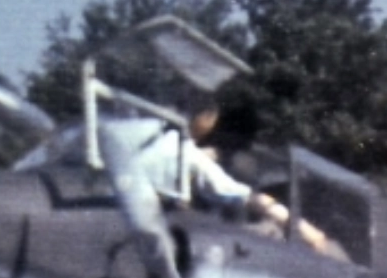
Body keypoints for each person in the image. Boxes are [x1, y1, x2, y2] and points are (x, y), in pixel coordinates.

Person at [127, 104, 342, 259]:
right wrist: (309, 233)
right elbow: (249, 198)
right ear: (205, 120)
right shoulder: (194, 160)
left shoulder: (141, 136)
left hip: (130, 216)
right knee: (271, 232)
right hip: (159, 233)